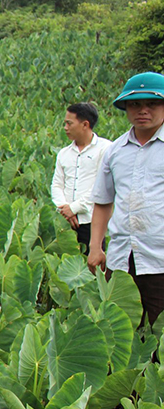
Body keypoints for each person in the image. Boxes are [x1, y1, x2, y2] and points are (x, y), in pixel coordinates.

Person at [89, 71, 164, 327]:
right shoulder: (115, 151)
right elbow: (103, 201)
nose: (143, 110)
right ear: (125, 108)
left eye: (152, 104)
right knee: (120, 332)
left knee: (159, 334)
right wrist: (95, 247)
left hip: (160, 259)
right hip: (121, 258)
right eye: (135, 104)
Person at [50, 102, 111, 254]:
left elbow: (102, 186)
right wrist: (64, 209)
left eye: (69, 123)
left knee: (92, 266)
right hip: (65, 222)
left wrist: (74, 208)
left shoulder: (106, 149)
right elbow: (57, 184)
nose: (65, 128)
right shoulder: (64, 153)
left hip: (92, 221)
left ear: (85, 124)